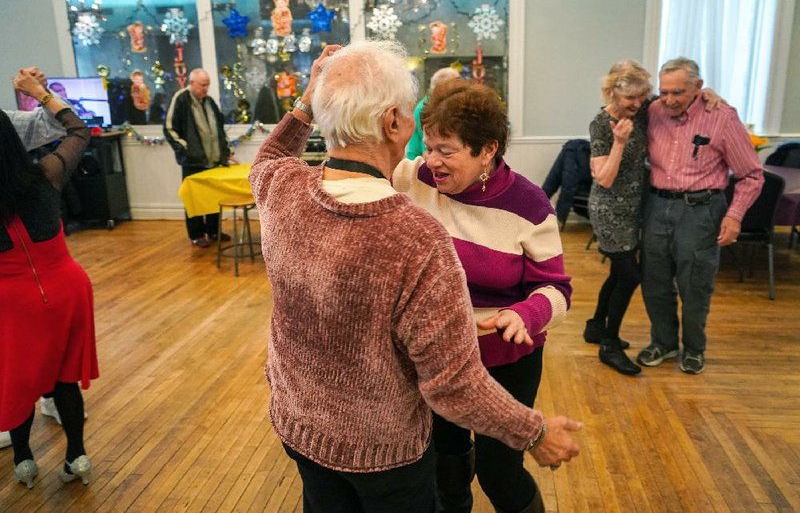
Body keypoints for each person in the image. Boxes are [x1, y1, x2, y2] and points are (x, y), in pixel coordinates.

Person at [249, 41, 582, 513]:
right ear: (391, 123)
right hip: (381, 449)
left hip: (301, 425)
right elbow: (452, 384)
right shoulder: (416, 234)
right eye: (411, 117)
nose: (431, 156)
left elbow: (267, 157)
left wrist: (310, 99)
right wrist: (538, 433)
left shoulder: (280, 185)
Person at [392, 79, 572, 512]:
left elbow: (557, 289)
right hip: (439, 358)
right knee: (446, 464)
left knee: (499, 473)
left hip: (505, 360)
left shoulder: (528, 205)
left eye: (447, 150)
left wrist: (525, 315)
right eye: (429, 145)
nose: (431, 160)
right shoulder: (414, 179)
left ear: (487, 150)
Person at [0, 68, 99, 488]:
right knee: (63, 380)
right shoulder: (47, 175)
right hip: (69, 289)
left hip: (14, 301)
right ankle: (76, 457)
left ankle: (24, 459)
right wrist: (40, 93)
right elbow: (79, 130)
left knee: (18, 380)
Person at [638, 57, 764, 374]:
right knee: (654, 280)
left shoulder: (721, 117)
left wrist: (734, 216)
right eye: (663, 91)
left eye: (677, 92)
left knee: (695, 283)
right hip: (656, 205)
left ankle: (694, 348)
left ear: (698, 87)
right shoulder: (654, 111)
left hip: (701, 210)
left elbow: (751, 174)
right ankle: (663, 342)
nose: (668, 100)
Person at [585, 60, 652, 376]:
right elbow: (606, 179)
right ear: (612, 92)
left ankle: (596, 326)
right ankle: (609, 345)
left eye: (642, 97)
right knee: (630, 275)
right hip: (609, 211)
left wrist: (709, 96)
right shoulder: (601, 124)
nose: (637, 104)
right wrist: (620, 143)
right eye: (630, 99)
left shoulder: (642, 113)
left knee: (616, 272)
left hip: (634, 209)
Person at [164, 68, 234, 248]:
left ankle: (213, 231)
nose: (206, 88)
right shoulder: (181, 99)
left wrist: (225, 153)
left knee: (212, 198)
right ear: (192, 83)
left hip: (213, 161)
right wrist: (187, 151)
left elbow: (219, 130)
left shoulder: (209, 102)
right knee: (194, 199)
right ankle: (196, 234)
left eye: (208, 84)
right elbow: (169, 128)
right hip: (193, 162)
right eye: (203, 85)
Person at [405, 66, 460, 160]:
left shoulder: (433, 104)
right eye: (457, 82)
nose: (461, 86)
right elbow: (430, 145)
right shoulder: (428, 107)